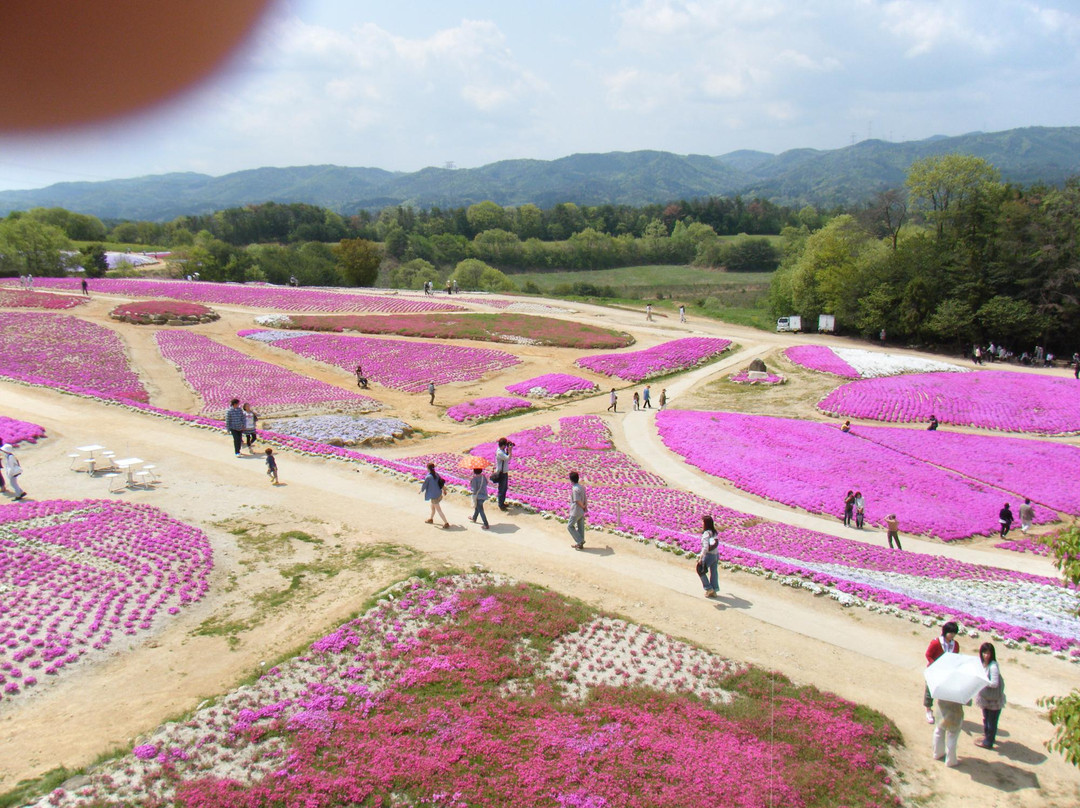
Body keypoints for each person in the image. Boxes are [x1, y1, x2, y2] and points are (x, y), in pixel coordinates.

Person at [924, 621, 960, 724]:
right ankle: (928, 710)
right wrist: (935, 665)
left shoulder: (955, 644)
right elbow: (928, 655)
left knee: (944, 692)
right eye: (950, 633)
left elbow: (956, 657)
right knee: (930, 691)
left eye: (954, 633)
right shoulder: (936, 642)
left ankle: (942, 711)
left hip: (946, 672)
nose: (952, 635)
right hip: (934, 671)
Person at [975, 642, 1005, 749]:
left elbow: (994, 683)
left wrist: (982, 682)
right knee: (986, 719)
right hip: (986, 698)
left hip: (993, 699)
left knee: (991, 721)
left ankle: (988, 742)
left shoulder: (993, 666)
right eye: (984, 653)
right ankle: (988, 737)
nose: (986, 655)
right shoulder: (983, 664)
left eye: (988, 653)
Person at [932, 697, 964, 768]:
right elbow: (967, 701)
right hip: (955, 714)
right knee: (952, 736)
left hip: (941, 711)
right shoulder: (960, 691)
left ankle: (937, 753)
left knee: (938, 731)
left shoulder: (941, 689)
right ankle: (950, 761)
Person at [421, 463, 450, 528]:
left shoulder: (428, 477)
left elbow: (424, 485)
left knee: (438, 510)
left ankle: (446, 523)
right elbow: (441, 483)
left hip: (434, 496)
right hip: (438, 494)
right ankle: (431, 519)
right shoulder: (436, 474)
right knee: (432, 507)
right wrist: (444, 490)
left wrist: (421, 490)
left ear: (428, 468)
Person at [697, 515, 719, 597]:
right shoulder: (714, 532)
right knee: (714, 572)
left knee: (700, 570)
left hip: (709, 555)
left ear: (706, 523)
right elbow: (716, 542)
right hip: (716, 555)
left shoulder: (706, 533)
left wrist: (701, 557)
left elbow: (705, 547)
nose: (702, 524)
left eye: (702, 522)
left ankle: (709, 588)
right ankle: (714, 590)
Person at [567, 471, 588, 549]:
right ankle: (580, 544)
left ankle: (580, 541)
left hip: (576, 511)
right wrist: (585, 507)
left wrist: (582, 506)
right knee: (580, 527)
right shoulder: (581, 487)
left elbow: (577, 500)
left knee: (570, 526)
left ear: (571, 480)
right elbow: (585, 497)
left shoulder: (575, 489)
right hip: (581, 511)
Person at [494, 438, 513, 511]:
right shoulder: (500, 452)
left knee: (504, 488)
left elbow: (506, 456)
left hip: (504, 472)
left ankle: (502, 502)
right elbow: (508, 458)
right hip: (501, 473)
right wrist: (510, 451)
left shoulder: (502, 450)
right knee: (502, 489)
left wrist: (508, 450)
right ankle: (501, 504)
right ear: (503, 445)